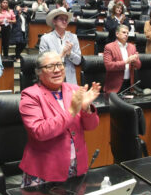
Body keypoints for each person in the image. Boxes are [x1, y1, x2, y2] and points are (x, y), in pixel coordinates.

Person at [18, 51, 101, 186]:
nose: (57, 70)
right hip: (45, 169)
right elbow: (39, 131)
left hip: (76, 165)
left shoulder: (74, 89)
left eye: (59, 64)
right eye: (50, 66)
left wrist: (86, 108)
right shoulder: (30, 96)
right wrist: (72, 111)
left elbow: (92, 126)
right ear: (39, 72)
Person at [38, 8, 81, 84]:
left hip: (70, 80)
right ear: (54, 21)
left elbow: (78, 61)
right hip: (52, 78)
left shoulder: (73, 37)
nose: (64, 21)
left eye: (66, 20)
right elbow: (43, 62)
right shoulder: (45, 39)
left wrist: (70, 53)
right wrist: (62, 54)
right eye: (61, 19)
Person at [103, 25, 141, 94]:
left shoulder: (132, 47)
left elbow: (138, 66)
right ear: (117, 34)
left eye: (127, 33)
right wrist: (126, 61)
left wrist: (135, 60)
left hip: (129, 85)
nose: (126, 34)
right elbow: (108, 66)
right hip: (114, 86)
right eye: (124, 32)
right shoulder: (109, 47)